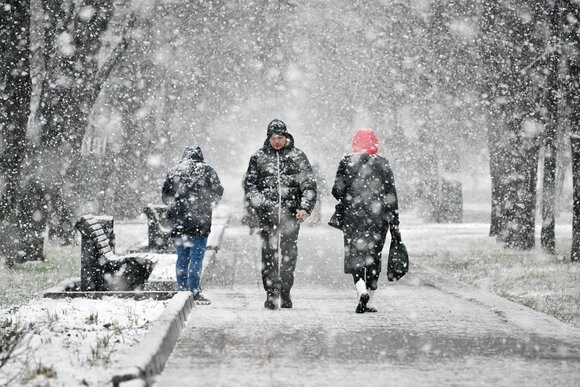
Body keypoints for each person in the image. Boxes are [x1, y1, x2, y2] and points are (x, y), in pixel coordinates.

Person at [243, 119, 317, 310]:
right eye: (273, 138)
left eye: (280, 137)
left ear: (286, 137)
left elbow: (308, 185)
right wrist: (261, 204)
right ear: (268, 138)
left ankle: (285, 291)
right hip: (267, 217)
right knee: (269, 255)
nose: (277, 141)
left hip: (291, 217)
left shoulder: (298, 156)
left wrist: (305, 208)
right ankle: (271, 293)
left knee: (288, 255)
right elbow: (250, 186)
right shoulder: (258, 157)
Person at [331, 128, 401, 314]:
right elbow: (391, 195)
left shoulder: (347, 162)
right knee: (373, 257)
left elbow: (336, 191)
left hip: (353, 218)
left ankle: (360, 288)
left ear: (355, 143)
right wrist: (394, 223)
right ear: (374, 144)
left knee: (355, 255)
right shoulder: (383, 163)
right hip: (378, 219)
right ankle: (370, 299)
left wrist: (349, 193)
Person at [162, 145, 224, 305]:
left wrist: (178, 205)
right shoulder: (208, 170)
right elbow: (218, 192)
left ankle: (183, 290)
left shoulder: (175, 171)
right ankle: (194, 291)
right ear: (200, 156)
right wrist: (207, 203)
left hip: (180, 223)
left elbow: (165, 197)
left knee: (182, 257)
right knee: (196, 257)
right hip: (200, 221)